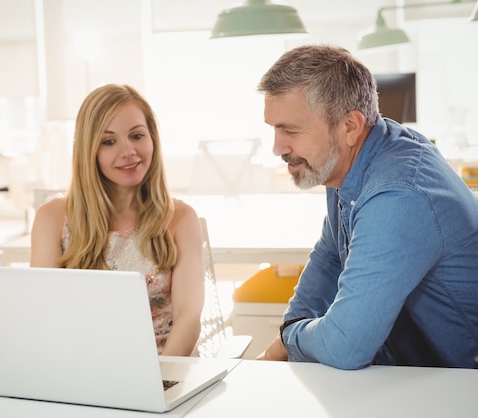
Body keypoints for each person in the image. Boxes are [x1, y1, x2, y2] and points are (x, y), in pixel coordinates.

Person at [256, 44, 478, 369]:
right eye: (273, 128)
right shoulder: (349, 161)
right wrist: (286, 336)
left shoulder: (397, 193)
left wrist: (288, 341)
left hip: (459, 387)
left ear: (350, 127)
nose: (278, 147)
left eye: (291, 130)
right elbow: (329, 258)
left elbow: (345, 345)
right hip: (412, 375)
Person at [30, 84, 205, 356]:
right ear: (89, 150)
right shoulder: (51, 218)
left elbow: (189, 317)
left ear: (153, 140)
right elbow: (45, 315)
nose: (129, 151)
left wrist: (158, 383)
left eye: (137, 136)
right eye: (108, 141)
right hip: (83, 369)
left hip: (166, 370)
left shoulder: (181, 218)